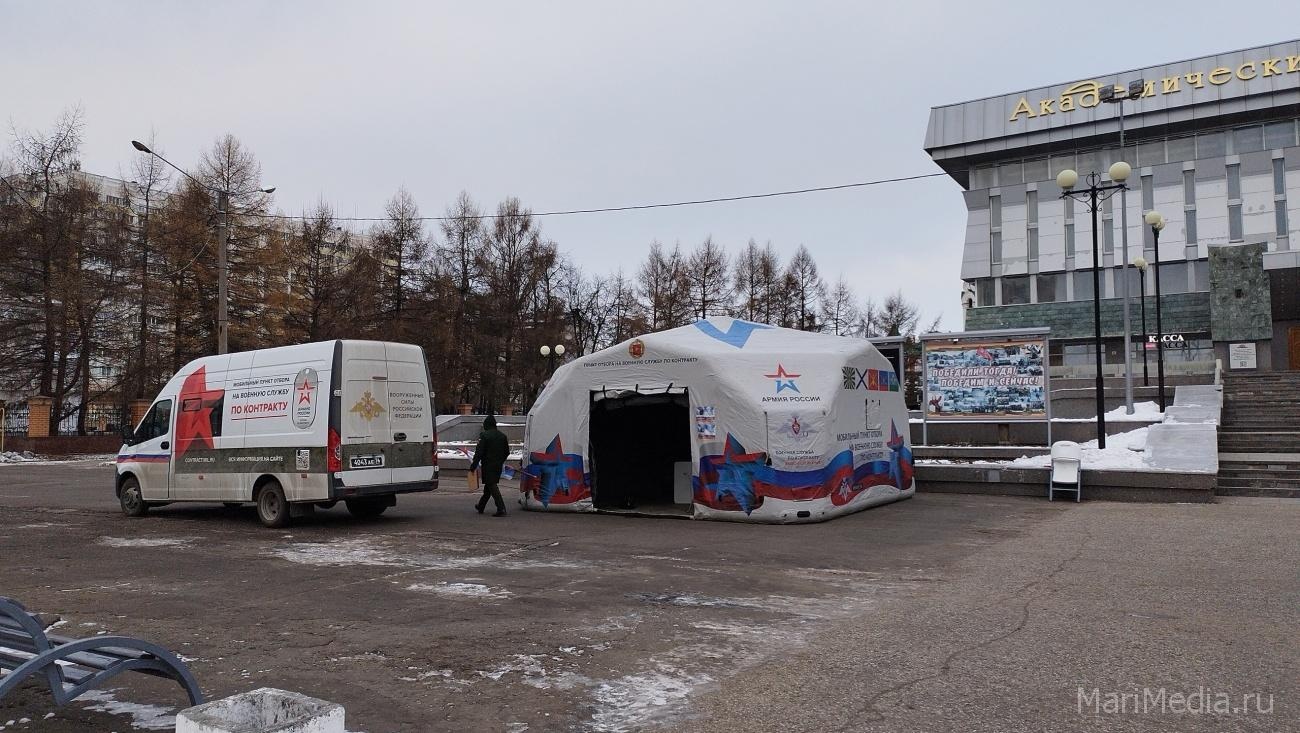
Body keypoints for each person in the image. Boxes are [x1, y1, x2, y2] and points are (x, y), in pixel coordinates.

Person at [469, 415, 510, 517]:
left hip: (488, 465)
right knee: (489, 486)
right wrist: (500, 461)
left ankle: (501, 508)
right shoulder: (502, 436)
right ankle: (481, 506)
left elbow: (479, 452)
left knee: (492, 485)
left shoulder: (484, 436)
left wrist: (473, 466)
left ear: (486, 425)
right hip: (498, 465)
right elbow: (507, 452)